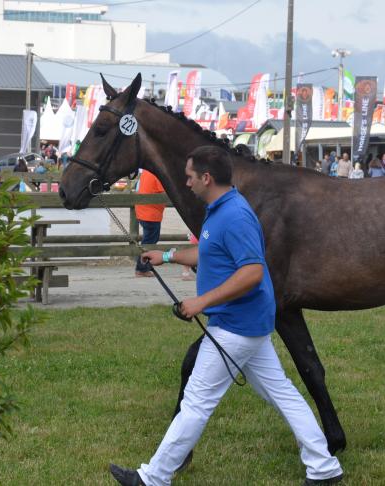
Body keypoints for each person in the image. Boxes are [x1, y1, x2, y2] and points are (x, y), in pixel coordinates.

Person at [109, 145, 343, 486]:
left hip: (236, 325)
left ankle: (152, 478)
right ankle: (324, 468)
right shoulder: (218, 210)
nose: (185, 183)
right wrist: (168, 256)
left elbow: (251, 272)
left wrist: (201, 303)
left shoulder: (234, 215)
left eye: (189, 176)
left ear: (206, 178)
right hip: (246, 324)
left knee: (196, 402)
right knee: (283, 393)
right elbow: (209, 252)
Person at [134, 168, 165, 278]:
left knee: (147, 240)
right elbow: (164, 191)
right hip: (151, 213)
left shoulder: (146, 172)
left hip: (143, 211)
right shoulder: (156, 173)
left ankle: (142, 266)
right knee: (150, 242)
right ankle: (142, 268)